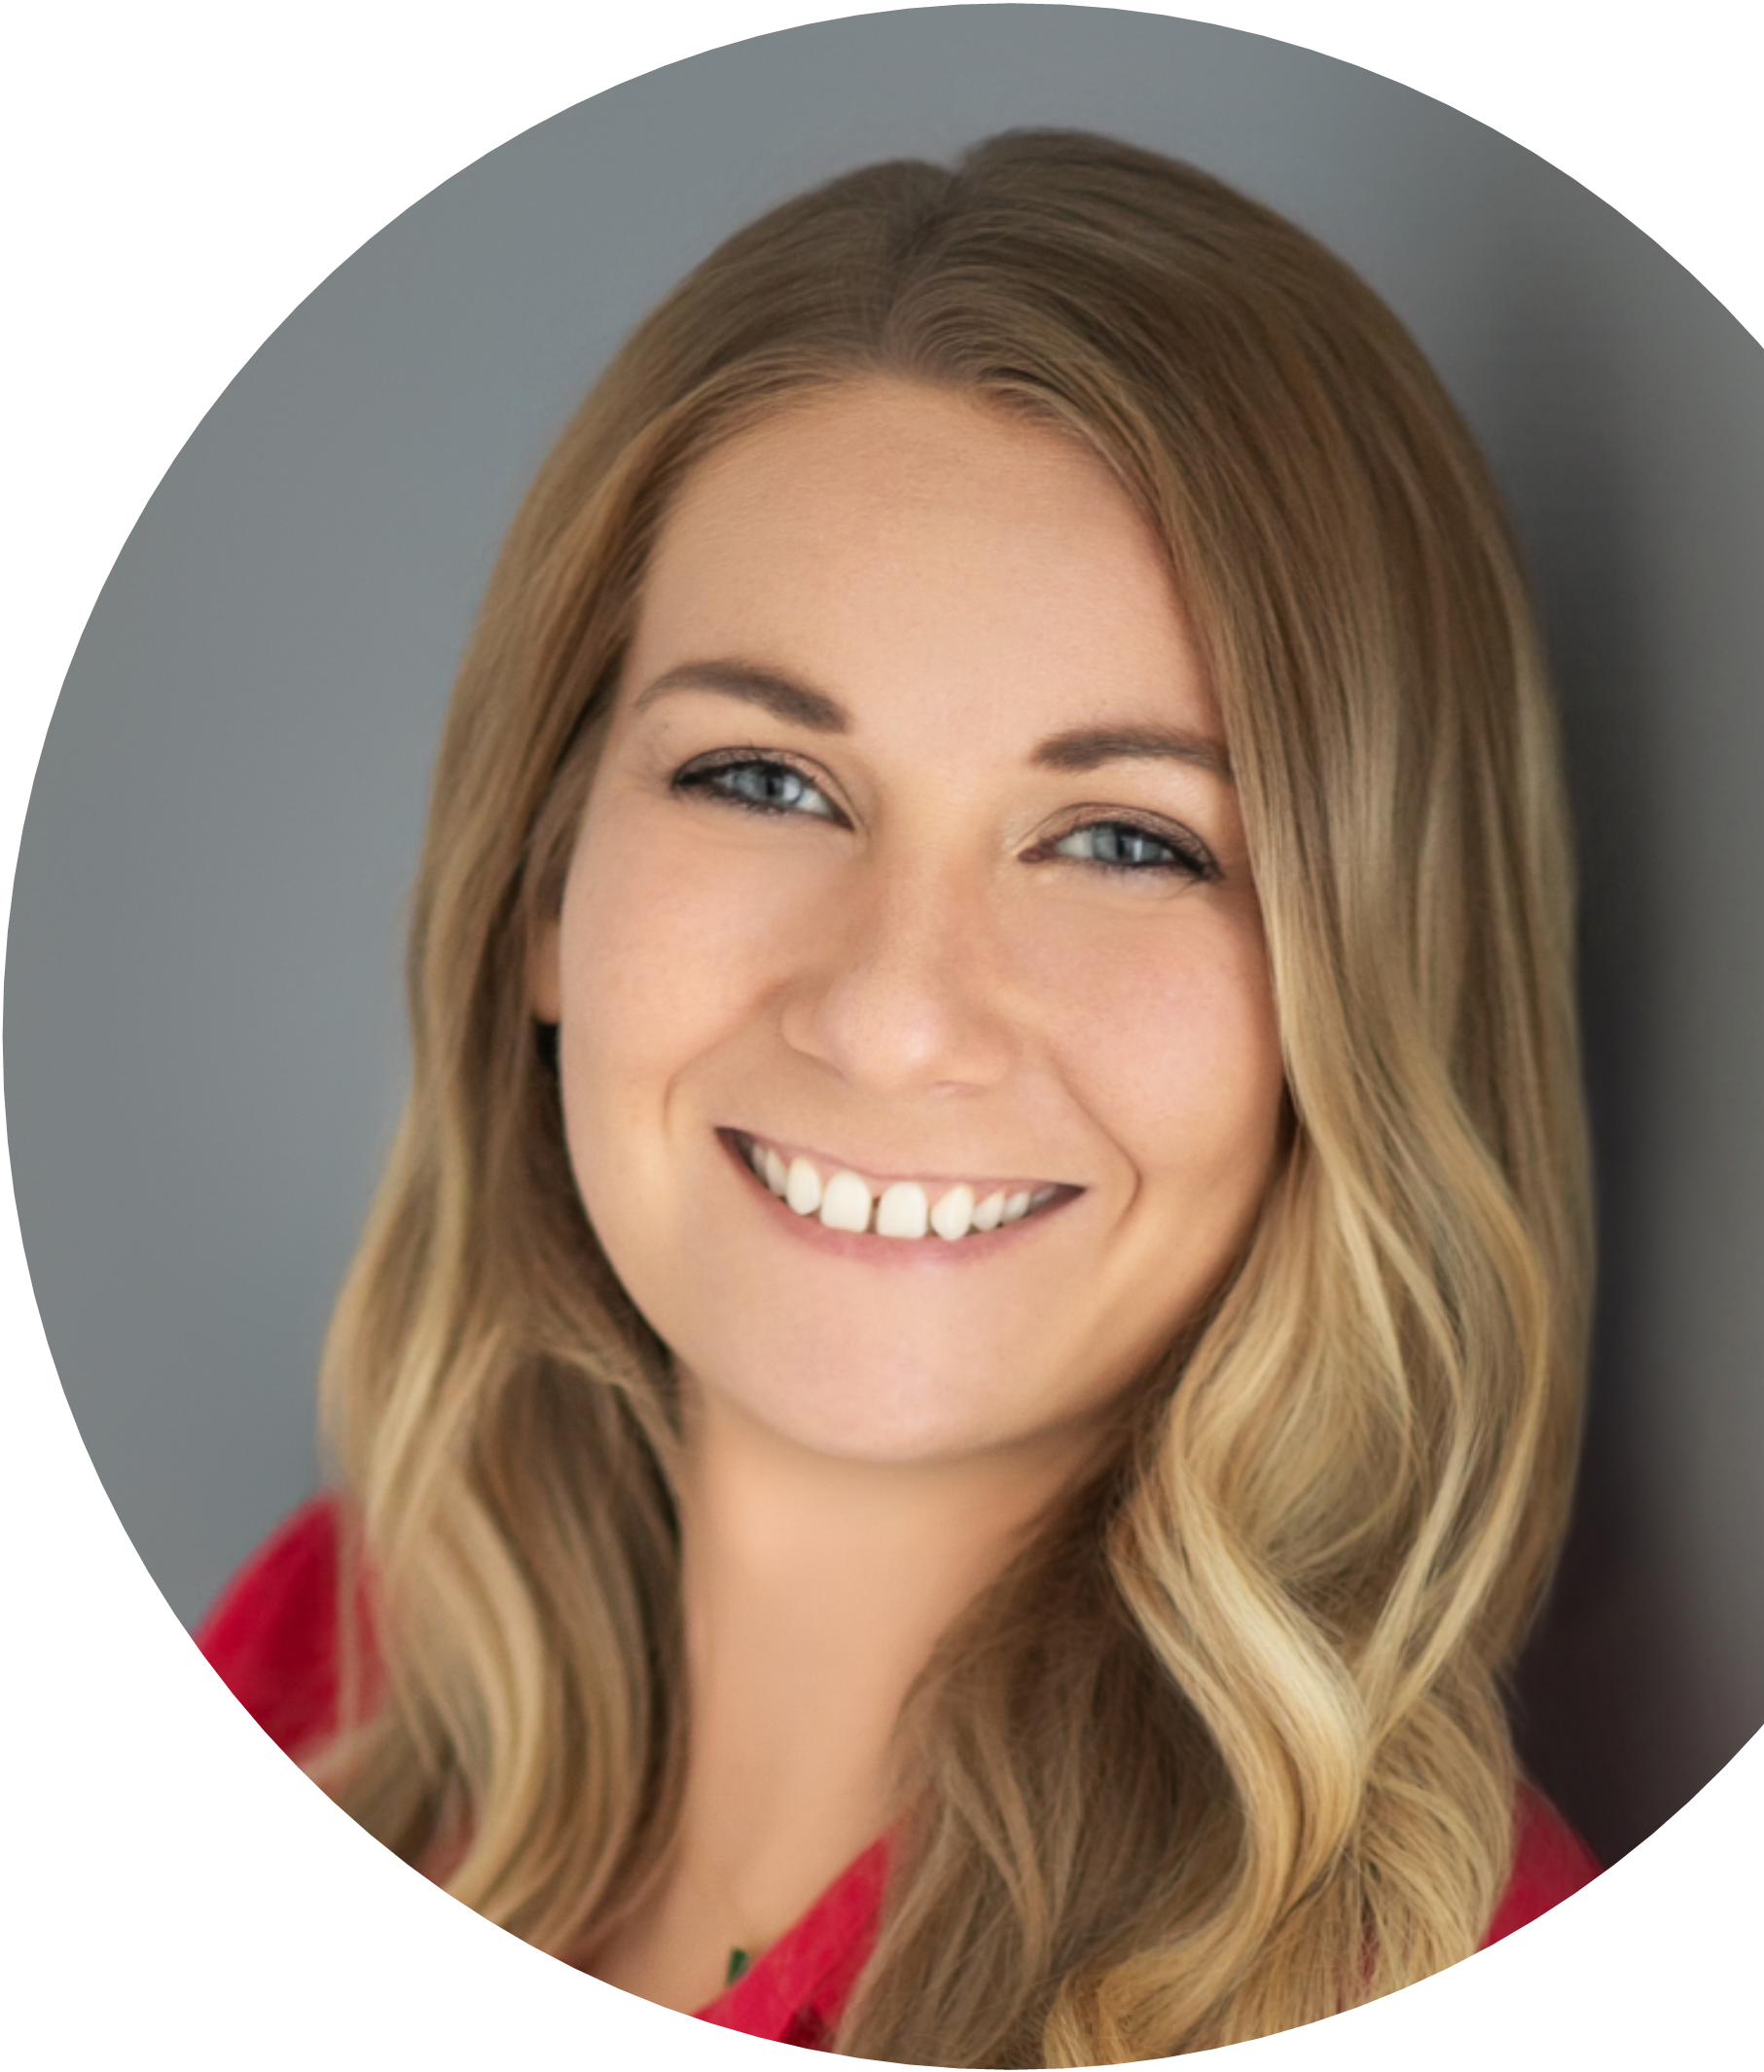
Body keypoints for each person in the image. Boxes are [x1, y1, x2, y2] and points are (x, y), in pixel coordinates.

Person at [196, 129, 1600, 2058]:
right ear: (538, 888)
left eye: (1123, 837)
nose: (894, 1011)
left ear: (1359, 1002)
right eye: (763, 780)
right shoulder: (321, 1663)